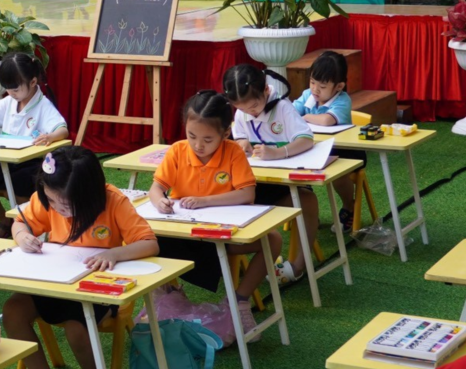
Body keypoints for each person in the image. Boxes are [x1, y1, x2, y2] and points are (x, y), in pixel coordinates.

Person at [8, 147, 157, 369]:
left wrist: (114, 253)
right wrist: (22, 237)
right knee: (13, 311)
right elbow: (20, 223)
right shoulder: (47, 197)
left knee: (76, 327)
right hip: (55, 282)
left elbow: (149, 243)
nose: (59, 209)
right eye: (52, 201)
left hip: (98, 290)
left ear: (90, 193)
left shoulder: (113, 201)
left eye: (67, 204)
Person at [147, 91, 272, 312]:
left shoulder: (233, 152)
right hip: (182, 233)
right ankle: (166, 295)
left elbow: (247, 194)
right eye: (191, 135)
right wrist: (160, 202)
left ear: (225, 133)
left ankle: (239, 301)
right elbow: (156, 188)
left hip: (222, 232)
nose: (198, 145)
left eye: (207, 140)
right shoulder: (177, 151)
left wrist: (205, 201)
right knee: (147, 241)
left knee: (272, 240)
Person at [225, 61, 317, 283]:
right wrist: (242, 143)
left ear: (266, 90)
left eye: (254, 106)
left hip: (282, 183)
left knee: (307, 200)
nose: (250, 112)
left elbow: (306, 139)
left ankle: (299, 264)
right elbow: (240, 136)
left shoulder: (283, 108)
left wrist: (279, 152)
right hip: (252, 183)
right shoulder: (242, 112)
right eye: (242, 109)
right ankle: (231, 257)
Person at [0, 51, 69, 232]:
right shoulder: (8, 101)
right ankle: (6, 222)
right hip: (4, 163)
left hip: (30, 165)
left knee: (17, 188)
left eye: (15, 89)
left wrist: (50, 137)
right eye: (8, 89)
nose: (11, 93)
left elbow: (63, 130)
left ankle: (30, 226)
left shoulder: (43, 105)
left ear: (32, 82)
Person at [294, 50, 354, 129]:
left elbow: (326, 120)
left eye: (322, 86)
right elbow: (291, 111)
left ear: (339, 86)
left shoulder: (343, 101)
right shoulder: (308, 94)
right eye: (312, 82)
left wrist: (306, 117)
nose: (315, 89)